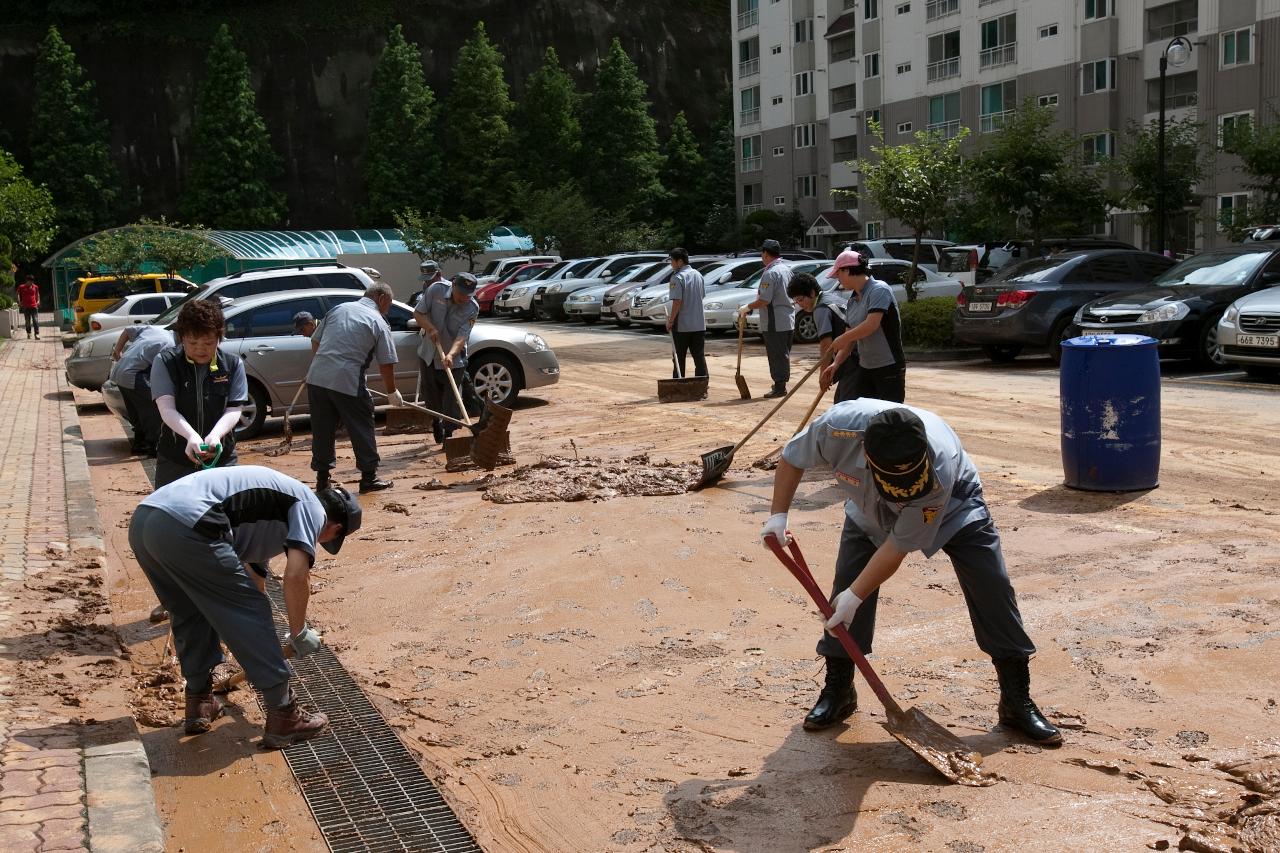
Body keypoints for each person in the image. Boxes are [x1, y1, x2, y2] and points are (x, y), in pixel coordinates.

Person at [762, 401, 1061, 745]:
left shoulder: (941, 466)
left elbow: (898, 546)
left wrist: (856, 596)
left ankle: (1016, 700)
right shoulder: (834, 430)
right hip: (868, 508)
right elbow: (792, 457)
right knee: (847, 580)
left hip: (953, 506)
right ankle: (838, 691)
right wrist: (778, 516)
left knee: (991, 584)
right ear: (865, 453)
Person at [128, 465, 362, 746]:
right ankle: (284, 714)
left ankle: (200, 701)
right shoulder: (311, 507)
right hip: (189, 523)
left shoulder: (269, 513)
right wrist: (298, 632)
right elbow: (297, 575)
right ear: (335, 529)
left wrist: (249, 627)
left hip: (147, 522)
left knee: (191, 613)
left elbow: (253, 581)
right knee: (253, 611)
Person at [307, 282, 402, 493]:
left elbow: (315, 341)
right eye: (389, 304)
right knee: (362, 426)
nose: (388, 308)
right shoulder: (378, 320)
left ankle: (322, 481)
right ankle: (369, 478)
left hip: (317, 378)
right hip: (347, 380)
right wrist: (391, 391)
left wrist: (322, 366)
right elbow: (386, 362)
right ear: (381, 299)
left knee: (322, 430)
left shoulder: (339, 309)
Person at [150, 299, 248, 489]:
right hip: (175, 458)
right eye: (193, 342)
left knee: (224, 511)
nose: (200, 349)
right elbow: (166, 408)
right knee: (172, 513)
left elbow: (234, 409)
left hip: (221, 456)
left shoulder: (233, 365)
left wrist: (215, 436)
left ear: (220, 337)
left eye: (208, 342)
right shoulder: (165, 362)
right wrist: (191, 437)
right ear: (182, 337)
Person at [820, 249, 906, 404]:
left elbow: (871, 325)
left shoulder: (879, 290)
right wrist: (836, 363)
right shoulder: (852, 300)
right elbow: (849, 341)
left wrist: (842, 338)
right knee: (865, 415)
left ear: (847, 270)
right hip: (865, 368)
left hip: (888, 366)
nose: (838, 280)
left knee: (890, 417)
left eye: (838, 274)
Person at [413, 272, 482, 444]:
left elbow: (462, 336)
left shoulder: (472, 308)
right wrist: (430, 328)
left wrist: (451, 354)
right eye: (461, 294)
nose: (464, 298)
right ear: (453, 286)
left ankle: (449, 436)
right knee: (431, 395)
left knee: (451, 398)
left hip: (455, 358)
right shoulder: (435, 290)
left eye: (468, 295)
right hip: (429, 353)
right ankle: (436, 421)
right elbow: (418, 313)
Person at [787, 271, 855, 397]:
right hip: (853, 353)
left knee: (843, 401)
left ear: (812, 293)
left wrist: (823, 374)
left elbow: (826, 344)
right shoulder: (830, 298)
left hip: (854, 356)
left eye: (801, 300)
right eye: (796, 302)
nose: (800, 305)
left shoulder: (821, 309)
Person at [110, 324, 175, 456]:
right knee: (154, 410)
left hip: (119, 371)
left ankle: (139, 444)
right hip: (134, 374)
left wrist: (118, 350)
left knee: (137, 411)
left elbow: (127, 330)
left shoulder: (154, 329)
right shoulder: (170, 345)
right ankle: (153, 447)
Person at [739, 239, 793, 398]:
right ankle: (780, 382)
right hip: (787, 318)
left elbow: (764, 300)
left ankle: (779, 386)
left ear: (766, 254)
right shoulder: (786, 269)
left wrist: (748, 307)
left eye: (762, 253)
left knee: (777, 354)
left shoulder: (770, 273)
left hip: (774, 320)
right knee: (783, 353)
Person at [666, 248, 707, 381]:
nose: (671, 264)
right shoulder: (698, 274)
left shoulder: (677, 277)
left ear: (680, 261)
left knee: (679, 357)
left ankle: (678, 385)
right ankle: (702, 386)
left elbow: (677, 301)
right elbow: (702, 295)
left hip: (683, 325)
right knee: (699, 356)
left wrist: (671, 321)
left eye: (672, 260)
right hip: (699, 324)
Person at [17, 274, 40, 339]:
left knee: (35, 320)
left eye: (32, 281)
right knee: (27, 321)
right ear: (27, 281)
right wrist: (19, 301)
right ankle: (29, 333)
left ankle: (37, 334)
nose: (31, 283)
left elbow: (37, 294)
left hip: (34, 306)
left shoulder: (35, 287)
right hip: (25, 306)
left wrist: (38, 301)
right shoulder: (21, 287)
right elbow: (18, 294)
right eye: (30, 281)